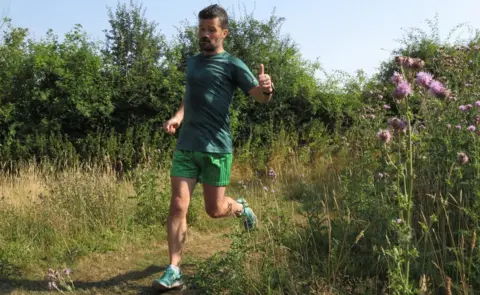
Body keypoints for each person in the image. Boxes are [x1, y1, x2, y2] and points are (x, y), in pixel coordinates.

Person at [151, 4, 274, 292]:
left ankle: (241, 208)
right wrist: (178, 117)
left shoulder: (232, 64)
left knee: (215, 210)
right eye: (201, 29)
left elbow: (259, 97)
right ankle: (173, 270)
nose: (204, 35)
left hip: (217, 148)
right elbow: (190, 96)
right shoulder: (193, 62)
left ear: (223, 33)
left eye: (211, 30)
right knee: (178, 205)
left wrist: (267, 88)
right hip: (186, 146)